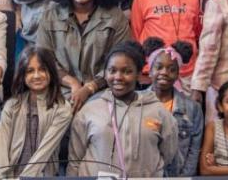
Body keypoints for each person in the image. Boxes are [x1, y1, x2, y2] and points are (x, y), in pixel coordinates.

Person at [35, 0, 131, 110]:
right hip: (59, 89)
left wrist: (89, 88)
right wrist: (72, 83)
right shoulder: (50, 15)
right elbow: (44, 58)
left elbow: (122, 61)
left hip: (104, 91)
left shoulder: (115, 17)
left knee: (97, 123)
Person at [68, 41, 177, 178]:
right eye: (112, 71)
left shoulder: (159, 111)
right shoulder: (89, 110)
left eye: (127, 71)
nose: (118, 77)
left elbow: (168, 155)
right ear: (106, 73)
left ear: (138, 74)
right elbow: (74, 160)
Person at [0, 46, 73, 179]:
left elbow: (43, 154)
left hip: (42, 176)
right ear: (22, 75)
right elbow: (1, 150)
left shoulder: (62, 109)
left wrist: (23, 179)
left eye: (42, 69)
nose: (36, 75)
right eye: (30, 71)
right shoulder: (12, 106)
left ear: (51, 72)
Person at [143, 37, 203, 177]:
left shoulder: (192, 109)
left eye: (171, 69)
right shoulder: (136, 102)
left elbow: (193, 152)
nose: (164, 72)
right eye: (159, 67)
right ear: (150, 71)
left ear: (177, 75)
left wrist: (184, 178)